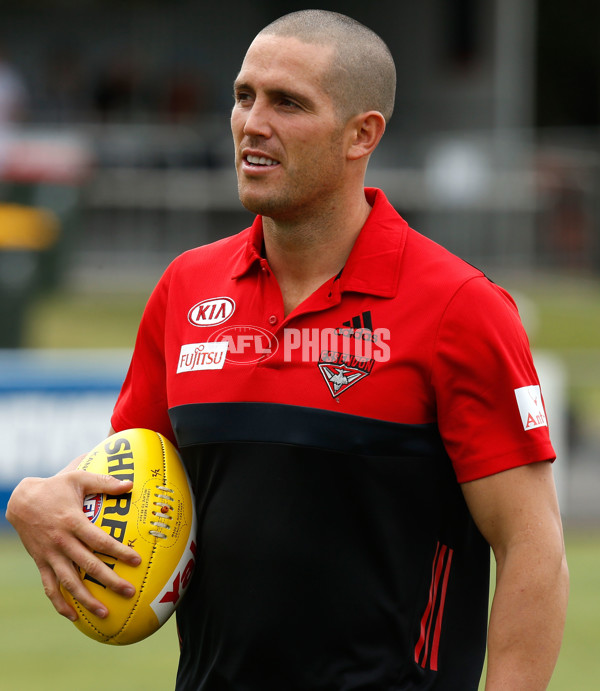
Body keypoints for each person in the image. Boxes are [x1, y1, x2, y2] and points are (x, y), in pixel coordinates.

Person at [6, 10, 568, 690]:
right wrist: (38, 498)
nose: (252, 123)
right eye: (244, 96)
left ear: (362, 134)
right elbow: (136, 482)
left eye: (287, 103)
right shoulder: (185, 288)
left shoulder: (461, 308)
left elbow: (532, 547)